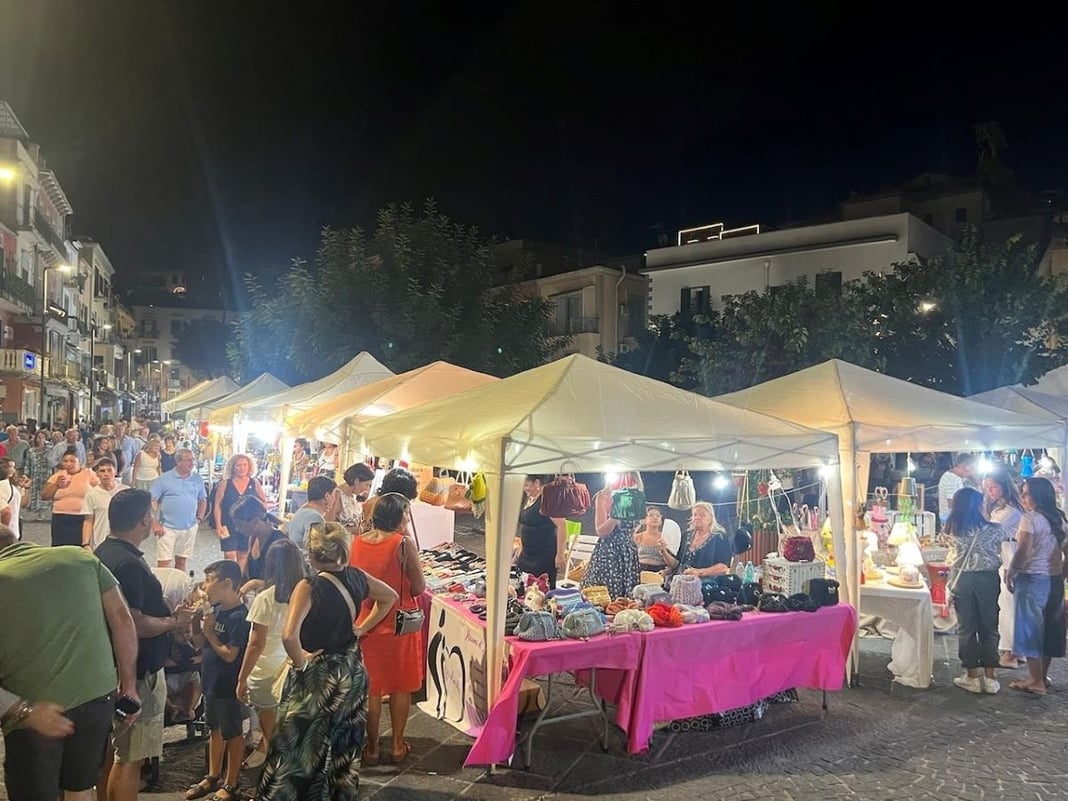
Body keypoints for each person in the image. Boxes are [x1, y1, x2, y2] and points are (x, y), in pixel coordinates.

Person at [256, 522, 396, 801]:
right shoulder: (358, 577)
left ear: (310, 553)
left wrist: (300, 663)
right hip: (351, 669)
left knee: (298, 743)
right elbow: (389, 596)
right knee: (343, 740)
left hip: (319, 676)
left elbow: (288, 635)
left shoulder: (309, 586)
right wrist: (361, 628)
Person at [0, 531, 139, 801]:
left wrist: (23, 711)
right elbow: (122, 618)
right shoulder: (81, 557)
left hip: (35, 709)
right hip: (98, 696)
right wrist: (129, 687)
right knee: (80, 786)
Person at [96, 489, 193, 801]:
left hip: (112, 667)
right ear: (144, 521)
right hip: (137, 674)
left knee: (112, 754)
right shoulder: (129, 564)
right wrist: (172, 623)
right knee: (131, 759)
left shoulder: (104, 552)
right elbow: (133, 622)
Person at [351, 494, 426, 766]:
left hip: (366, 623)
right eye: (406, 513)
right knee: (400, 686)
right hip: (398, 622)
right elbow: (418, 587)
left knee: (371, 689)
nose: (408, 518)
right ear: (398, 516)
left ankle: (371, 748)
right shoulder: (403, 543)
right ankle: (396, 744)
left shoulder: (357, 541)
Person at [236, 539, 307, 770]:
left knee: (272, 734)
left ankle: (278, 776)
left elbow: (256, 643)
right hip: (292, 666)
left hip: (265, 673)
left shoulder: (266, 599)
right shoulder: (306, 596)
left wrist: (241, 678)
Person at [187, 560, 250, 801]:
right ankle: (213, 774)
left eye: (210, 579)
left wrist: (211, 632)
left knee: (232, 733)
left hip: (228, 685)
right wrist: (196, 622)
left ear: (227, 583)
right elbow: (200, 644)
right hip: (210, 681)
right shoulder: (217, 611)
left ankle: (231, 782)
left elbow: (230, 654)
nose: (206, 586)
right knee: (214, 729)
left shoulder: (239, 616)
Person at [944, 487, 1009, 695]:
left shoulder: (952, 528)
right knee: (989, 626)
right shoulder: (996, 529)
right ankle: (990, 677)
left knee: (966, 628)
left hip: (962, 579)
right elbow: (999, 548)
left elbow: (951, 555)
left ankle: (971, 676)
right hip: (988, 579)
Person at [1005, 476, 1067, 695]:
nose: (1022, 497)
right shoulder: (1059, 519)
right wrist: (1062, 572)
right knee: (1050, 628)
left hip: (1032, 578)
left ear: (1037, 496)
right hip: (1054, 579)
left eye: (1026, 493)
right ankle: (1041, 676)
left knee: (1029, 628)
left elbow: (1023, 550)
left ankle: (1036, 681)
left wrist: (1012, 571)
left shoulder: (1030, 519)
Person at [983, 470, 1025, 669]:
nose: (990, 491)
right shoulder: (1000, 509)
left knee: (1008, 607)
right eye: (987, 487)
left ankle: (1010, 652)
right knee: (1007, 605)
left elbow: (991, 531)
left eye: (993, 486)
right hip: (1003, 556)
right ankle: (1013, 650)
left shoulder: (1011, 511)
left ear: (1003, 486)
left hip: (1010, 559)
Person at [581, 472, 643, 599]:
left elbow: (635, 527)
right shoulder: (603, 496)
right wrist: (618, 512)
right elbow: (601, 531)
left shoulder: (637, 497)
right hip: (608, 552)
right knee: (603, 596)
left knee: (626, 598)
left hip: (628, 553)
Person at [151, 448, 208, 571]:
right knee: (164, 563)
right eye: (188, 460)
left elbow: (202, 500)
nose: (192, 463)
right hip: (167, 528)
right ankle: (162, 589)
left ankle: (178, 588)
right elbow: (151, 500)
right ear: (178, 462)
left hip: (189, 527)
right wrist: (154, 522)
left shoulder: (197, 479)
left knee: (181, 562)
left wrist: (200, 519)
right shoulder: (164, 479)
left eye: (193, 460)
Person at [214, 453, 267, 572]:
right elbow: (217, 505)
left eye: (244, 465)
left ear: (249, 467)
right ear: (233, 467)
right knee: (229, 555)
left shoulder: (254, 483)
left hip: (247, 526)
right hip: (228, 525)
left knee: (243, 554)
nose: (242, 468)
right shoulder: (225, 484)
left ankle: (238, 581)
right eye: (238, 465)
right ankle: (228, 577)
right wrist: (218, 525)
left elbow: (263, 501)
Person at [514, 474, 567, 588]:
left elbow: (562, 525)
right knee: (523, 586)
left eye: (527, 485)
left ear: (537, 483)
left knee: (541, 589)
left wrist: (560, 554)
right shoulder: (529, 498)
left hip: (543, 555)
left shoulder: (548, 500)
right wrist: (521, 546)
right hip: (527, 553)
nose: (525, 489)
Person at [41, 448, 100, 548]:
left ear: (79, 461)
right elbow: (44, 496)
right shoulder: (58, 476)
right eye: (65, 461)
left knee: (80, 548)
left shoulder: (89, 474)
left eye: (72, 461)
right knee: (59, 548)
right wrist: (56, 485)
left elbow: (100, 491)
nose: (69, 464)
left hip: (82, 518)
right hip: (60, 518)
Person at [663, 501, 732, 579]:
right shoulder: (686, 535)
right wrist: (664, 552)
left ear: (710, 519)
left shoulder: (719, 537)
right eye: (695, 515)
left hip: (706, 585)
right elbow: (677, 563)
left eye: (702, 515)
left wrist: (699, 572)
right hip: (681, 581)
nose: (697, 517)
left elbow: (723, 567)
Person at [230, 495, 287, 586]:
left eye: (240, 525)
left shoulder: (279, 543)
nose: (237, 529)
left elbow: (284, 583)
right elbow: (245, 575)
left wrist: (255, 584)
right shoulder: (252, 539)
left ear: (255, 521)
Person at [82, 456, 130, 549]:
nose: (106, 474)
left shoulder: (126, 491)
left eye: (109, 470)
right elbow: (88, 521)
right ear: (97, 474)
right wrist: (85, 544)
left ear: (115, 472)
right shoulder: (91, 494)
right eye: (102, 471)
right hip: (100, 543)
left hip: (123, 543)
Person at [287, 475, 337, 549]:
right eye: (334, 494)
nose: (334, 499)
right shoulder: (314, 517)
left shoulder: (303, 510)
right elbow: (314, 550)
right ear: (327, 496)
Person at [332, 463, 374, 533]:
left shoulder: (353, 496)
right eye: (366, 484)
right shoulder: (337, 495)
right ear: (357, 481)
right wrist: (351, 529)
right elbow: (328, 526)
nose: (366, 489)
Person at [938, 453, 975, 524]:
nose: (972, 472)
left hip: (952, 518)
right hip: (950, 519)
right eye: (972, 468)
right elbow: (952, 503)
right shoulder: (951, 479)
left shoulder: (956, 477)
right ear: (965, 466)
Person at [0, 456, 31, 541]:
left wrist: (25, 488)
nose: (14, 470)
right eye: (11, 467)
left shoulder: (10, 486)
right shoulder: (3, 485)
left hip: (11, 533)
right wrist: (4, 532)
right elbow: (6, 512)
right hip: (9, 534)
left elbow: (23, 503)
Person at [25, 429, 52, 521]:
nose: (40, 439)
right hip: (35, 475)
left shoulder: (50, 449)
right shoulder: (31, 451)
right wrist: (26, 475)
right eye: (38, 437)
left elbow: (53, 462)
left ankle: (43, 512)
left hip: (46, 475)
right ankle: (38, 513)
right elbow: (27, 463)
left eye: (42, 437)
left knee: (45, 492)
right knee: (35, 493)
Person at [634, 506, 670, 573]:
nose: (655, 517)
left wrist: (666, 571)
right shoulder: (637, 537)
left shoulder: (665, 537)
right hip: (639, 570)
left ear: (661, 520)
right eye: (651, 515)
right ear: (644, 520)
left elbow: (672, 562)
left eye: (658, 516)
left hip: (658, 572)